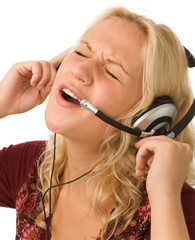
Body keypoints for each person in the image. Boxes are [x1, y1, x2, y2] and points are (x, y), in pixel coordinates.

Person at [0, 6, 195, 240]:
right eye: (81, 53)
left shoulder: (179, 208)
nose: (79, 70)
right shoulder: (30, 166)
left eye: (112, 72)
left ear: (148, 118)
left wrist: (164, 195)